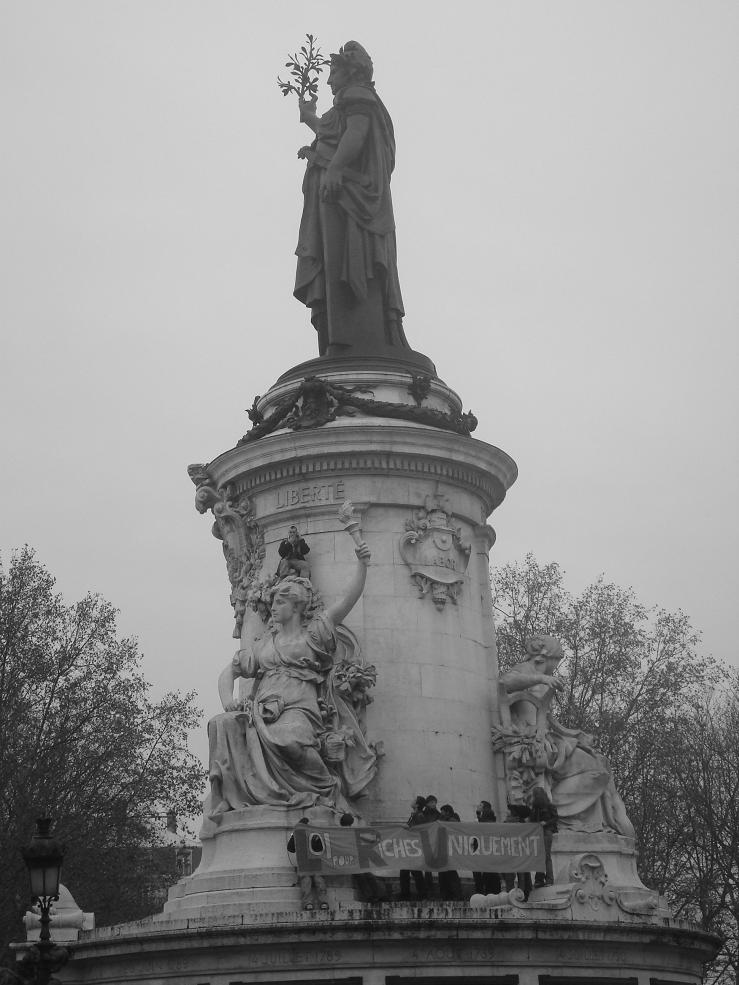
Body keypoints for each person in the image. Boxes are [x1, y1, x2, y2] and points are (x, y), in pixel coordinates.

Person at [204, 533, 371, 818]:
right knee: (222, 724)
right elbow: (228, 672)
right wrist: (227, 700)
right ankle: (229, 798)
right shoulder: (265, 645)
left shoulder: (314, 635)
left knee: (290, 738)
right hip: (262, 709)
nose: (273, 608)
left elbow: (347, 601)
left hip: (300, 707)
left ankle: (325, 788)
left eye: (280, 602)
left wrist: (362, 564)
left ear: (295, 606)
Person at [294, 41, 408, 357]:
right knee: (335, 262)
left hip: (349, 196)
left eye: (333, 73)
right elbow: (338, 134)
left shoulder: (357, 97)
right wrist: (310, 118)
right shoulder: (348, 102)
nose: (329, 81)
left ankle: (347, 338)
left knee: (344, 259)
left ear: (351, 71)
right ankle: (340, 339)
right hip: (339, 195)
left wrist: (335, 170)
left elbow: (355, 136)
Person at [498, 635, 635, 838]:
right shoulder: (526, 670)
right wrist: (541, 678)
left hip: (547, 736)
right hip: (531, 739)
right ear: (548, 658)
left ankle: (600, 822)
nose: (556, 667)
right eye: (557, 661)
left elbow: (549, 720)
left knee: (599, 760)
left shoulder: (544, 678)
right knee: (589, 763)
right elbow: (504, 683)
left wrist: (578, 735)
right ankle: (573, 819)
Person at [340, 813, 384, 904]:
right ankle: (372, 896)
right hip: (351, 861)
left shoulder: (347, 832)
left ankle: (375, 895)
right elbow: (367, 839)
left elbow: (364, 838)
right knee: (365, 876)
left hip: (354, 860)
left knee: (366, 876)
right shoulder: (345, 832)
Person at [287, 817, 328, 910]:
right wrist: (294, 836)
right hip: (306, 862)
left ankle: (318, 902)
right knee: (309, 881)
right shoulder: (298, 835)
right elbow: (291, 848)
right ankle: (314, 903)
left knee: (318, 880)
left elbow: (321, 848)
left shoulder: (315, 835)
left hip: (314, 862)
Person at [398, 796, 429, 900]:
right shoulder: (415, 815)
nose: (411, 801)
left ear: (417, 805)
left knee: (413, 872)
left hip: (414, 848)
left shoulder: (419, 815)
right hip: (410, 847)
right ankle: (411, 894)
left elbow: (420, 829)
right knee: (409, 872)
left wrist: (409, 828)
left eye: (414, 800)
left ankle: (417, 894)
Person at [529, 787, 558, 888]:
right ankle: (539, 879)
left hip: (546, 831)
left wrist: (545, 823)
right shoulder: (534, 808)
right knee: (539, 856)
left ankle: (549, 879)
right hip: (537, 833)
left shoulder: (550, 806)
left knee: (546, 856)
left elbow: (555, 818)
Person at [503, 803, 532, 901]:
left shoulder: (514, 824)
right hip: (512, 853)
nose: (506, 812)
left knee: (516, 875)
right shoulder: (507, 824)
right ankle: (518, 894)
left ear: (513, 813)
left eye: (509, 810)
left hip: (516, 853)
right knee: (516, 875)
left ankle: (515, 894)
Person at [473, 801, 501, 895]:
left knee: (487, 872)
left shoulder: (486, 819)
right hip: (481, 848)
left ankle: (487, 891)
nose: (478, 806)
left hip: (485, 848)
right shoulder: (480, 818)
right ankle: (487, 891)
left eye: (480, 805)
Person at [438, 804, 463, 901]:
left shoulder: (451, 820)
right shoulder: (443, 820)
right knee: (444, 874)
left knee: (450, 874)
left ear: (447, 812)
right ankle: (447, 895)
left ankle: (455, 894)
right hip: (444, 850)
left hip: (450, 850)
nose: (441, 813)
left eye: (443, 811)